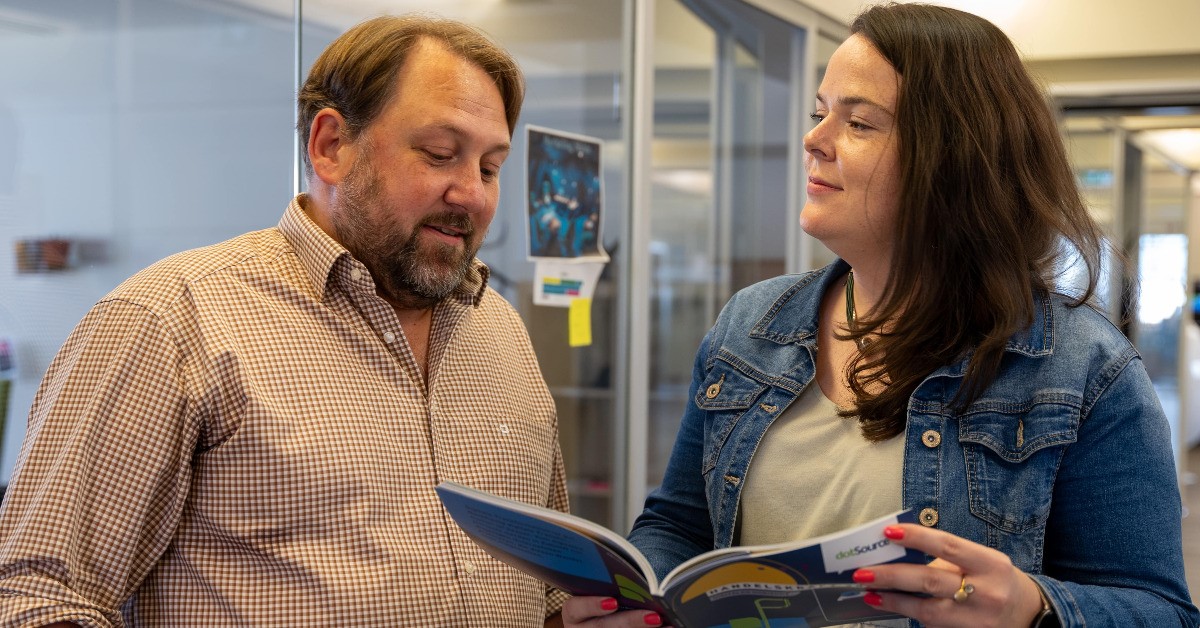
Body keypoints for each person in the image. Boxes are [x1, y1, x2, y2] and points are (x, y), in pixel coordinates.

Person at [561, 3, 1199, 627]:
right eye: (820, 113)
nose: (814, 140)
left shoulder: (1082, 369)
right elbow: (681, 526)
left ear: (953, 162)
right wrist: (638, 595)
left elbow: (1160, 608)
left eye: (858, 123)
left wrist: (1030, 608)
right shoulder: (751, 325)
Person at [0, 14, 570, 627]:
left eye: (489, 167)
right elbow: (40, 599)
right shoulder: (169, 321)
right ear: (330, 146)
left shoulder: (500, 330)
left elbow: (547, 594)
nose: (473, 195)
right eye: (439, 154)